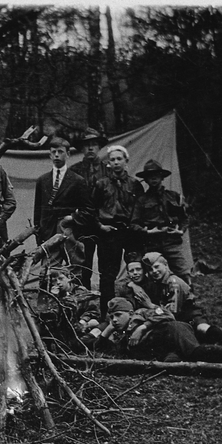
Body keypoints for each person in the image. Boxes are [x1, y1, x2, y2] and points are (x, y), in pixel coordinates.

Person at [84, 297, 222, 367]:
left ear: (129, 313)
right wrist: (109, 328)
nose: (114, 319)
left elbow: (167, 314)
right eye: (111, 317)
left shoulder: (141, 314)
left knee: (195, 352)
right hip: (167, 346)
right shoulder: (123, 338)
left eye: (118, 315)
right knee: (176, 361)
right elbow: (101, 347)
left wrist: (143, 327)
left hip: (174, 330)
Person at [141, 252, 222, 347]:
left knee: (201, 328)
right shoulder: (158, 283)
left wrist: (153, 308)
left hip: (188, 314)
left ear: (166, 265)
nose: (154, 271)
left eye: (157, 267)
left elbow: (172, 312)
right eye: (150, 269)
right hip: (179, 314)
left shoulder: (174, 283)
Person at [85, 143, 136, 317]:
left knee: (136, 271)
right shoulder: (101, 184)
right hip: (108, 234)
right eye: (112, 159)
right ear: (108, 163)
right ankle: (108, 314)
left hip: (130, 233)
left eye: (119, 159)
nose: (116, 162)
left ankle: (135, 310)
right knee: (107, 276)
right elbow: (91, 209)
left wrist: (135, 228)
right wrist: (100, 226)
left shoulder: (135, 184)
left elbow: (139, 209)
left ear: (126, 161)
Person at [131, 159, 192, 282]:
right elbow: (133, 224)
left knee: (183, 274)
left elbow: (185, 218)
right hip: (152, 244)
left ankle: (188, 300)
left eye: (156, 175)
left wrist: (180, 231)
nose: (153, 178)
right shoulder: (141, 200)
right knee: (154, 277)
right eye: (150, 176)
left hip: (172, 243)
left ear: (162, 177)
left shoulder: (173, 196)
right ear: (146, 180)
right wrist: (148, 231)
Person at [32, 134, 89, 254]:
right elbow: (38, 210)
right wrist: (39, 233)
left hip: (69, 232)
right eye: (53, 152)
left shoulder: (78, 180)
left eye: (60, 152)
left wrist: (72, 219)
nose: (56, 155)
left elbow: (85, 210)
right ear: (50, 155)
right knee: (49, 269)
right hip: (48, 232)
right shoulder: (42, 180)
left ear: (68, 154)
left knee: (74, 268)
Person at [68, 127, 109, 289]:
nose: (90, 148)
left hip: (104, 223)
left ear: (99, 147)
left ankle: (105, 301)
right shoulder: (74, 171)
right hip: (82, 225)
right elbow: (69, 198)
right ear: (81, 149)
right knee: (83, 264)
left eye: (94, 144)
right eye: (87, 145)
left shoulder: (108, 170)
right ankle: (81, 299)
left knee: (106, 265)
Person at [37, 265, 100, 349]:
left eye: (61, 278)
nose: (58, 282)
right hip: (60, 327)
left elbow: (93, 311)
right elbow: (46, 313)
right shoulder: (51, 293)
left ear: (69, 278)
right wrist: (54, 297)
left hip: (79, 325)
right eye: (54, 280)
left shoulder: (80, 291)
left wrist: (83, 321)